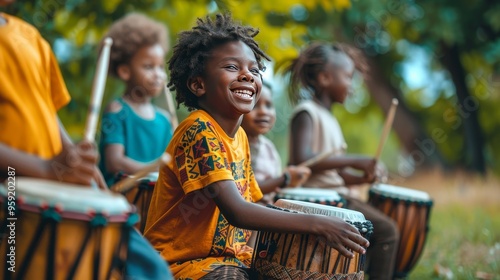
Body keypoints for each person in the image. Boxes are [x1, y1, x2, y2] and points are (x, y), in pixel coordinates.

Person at [144, 13, 369, 280]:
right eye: (231, 67)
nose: (247, 76)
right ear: (197, 84)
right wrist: (316, 224)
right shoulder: (198, 131)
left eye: (254, 69)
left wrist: (313, 212)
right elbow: (238, 211)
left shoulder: (239, 138)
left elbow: (254, 199)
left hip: (228, 260)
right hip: (179, 264)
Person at [0, 5, 172, 279]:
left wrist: (78, 162)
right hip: (11, 187)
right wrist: (45, 169)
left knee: (152, 270)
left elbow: (47, 114)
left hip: (57, 181)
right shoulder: (119, 110)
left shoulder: (29, 36)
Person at [286, 41, 400, 280]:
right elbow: (302, 160)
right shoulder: (307, 112)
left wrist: (361, 177)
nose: (352, 85)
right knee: (388, 231)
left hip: (338, 194)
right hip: (323, 200)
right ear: (325, 78)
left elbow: (334, 173)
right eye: (348, 77)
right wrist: (357, 159)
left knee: (383, 225)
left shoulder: (330, 118)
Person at [99, 13, 174, 186]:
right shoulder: (117, 110)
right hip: (119, 200)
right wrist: (157, 169)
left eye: (160, 67)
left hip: (157, 202)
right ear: (125, 71)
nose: (158, 74)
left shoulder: (165, 120)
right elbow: (114, 163)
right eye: (149, 67)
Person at [241, 81, 311, 205]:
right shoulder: (235, 144)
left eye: (268, 105)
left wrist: (292, 180)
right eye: (254, 105)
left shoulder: (269, 148)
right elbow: (243, 188)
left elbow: (275, 188)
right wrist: (285, 179)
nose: (263, 112)